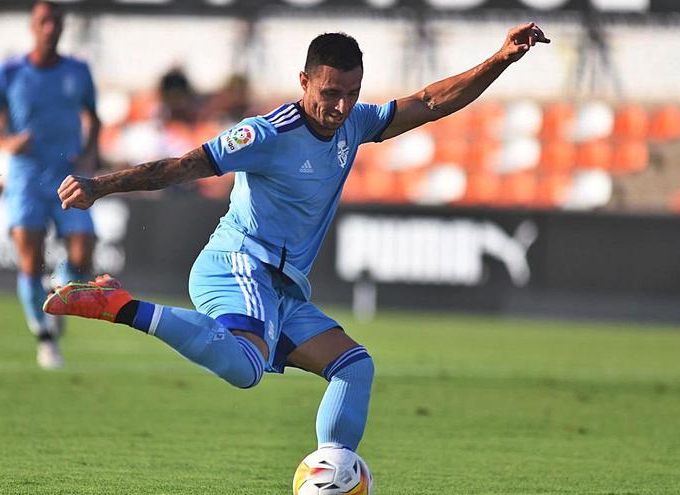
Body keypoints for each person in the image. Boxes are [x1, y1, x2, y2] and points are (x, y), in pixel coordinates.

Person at [45, 24, 549, 452]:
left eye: (352, 92)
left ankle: (331, 473)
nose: (341, 105)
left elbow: (430, 102)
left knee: (354, 367)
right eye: (330, 93)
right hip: (238, 264)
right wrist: (99, 186)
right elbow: (184, 166)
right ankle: (120, 306)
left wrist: (500, 58)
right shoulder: (267, 133)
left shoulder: (356, 122)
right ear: (304, 81)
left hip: (282, 288)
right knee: (246, 368)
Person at [0, 0, 101, 369]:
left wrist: (90, 154)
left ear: (62, 26)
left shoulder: (78, 71)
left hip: (68, 175)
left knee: (84, 252)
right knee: (31, 257)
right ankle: (44, 337)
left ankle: (56, 291)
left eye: (56, 21)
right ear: (33, 25)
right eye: (44, 21)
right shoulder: (9, 71)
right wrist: (4, 142)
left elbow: (95, 118)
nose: (50, 27)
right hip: (26, 178)